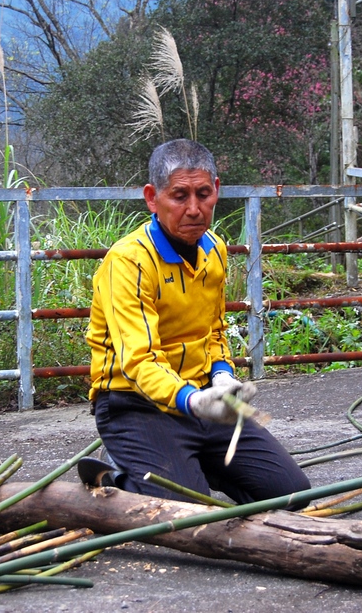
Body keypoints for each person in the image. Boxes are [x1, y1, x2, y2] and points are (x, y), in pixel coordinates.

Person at [80, 138, 311, 505]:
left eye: (203, 194)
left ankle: (187, 462)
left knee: (293, 495)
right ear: (152, 198)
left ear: (216, 191)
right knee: (184, 513)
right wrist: (193, 401)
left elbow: (214, 330)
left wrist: (222, 375)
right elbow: (138, 361)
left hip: (200, 395)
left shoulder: (214, 249)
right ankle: (117, 475)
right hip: (135, 404)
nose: (194, 209)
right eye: (179, 196)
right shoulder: (129, 262)